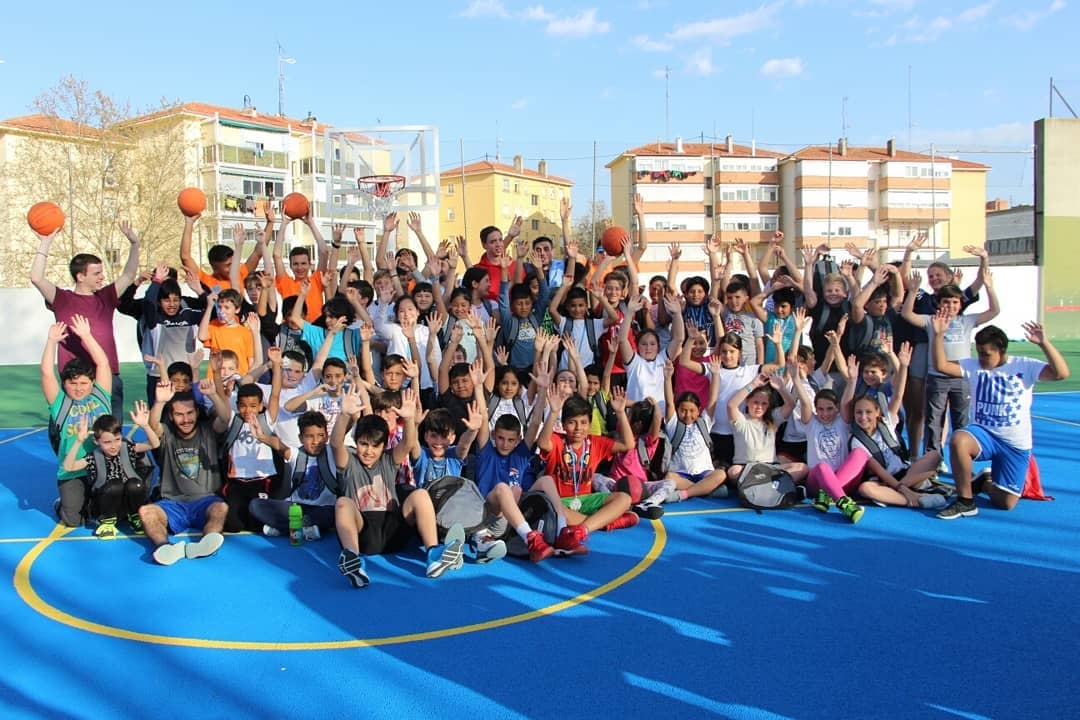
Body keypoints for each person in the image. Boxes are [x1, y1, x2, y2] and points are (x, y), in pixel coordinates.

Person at [931, 317, 1069, 519]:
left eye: (986, 354)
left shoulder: (1025, 365)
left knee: (1005, 503)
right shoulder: (974, 366)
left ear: (1002, 351)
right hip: (984, 435)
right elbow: (941, 365)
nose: (981, 358)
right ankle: (965, 501)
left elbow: (1061, 374)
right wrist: (938, 335)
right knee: (959, 439)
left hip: (1014, 444)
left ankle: (986, 481)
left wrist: (1044, 343)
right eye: (978, 353)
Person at [332, 386, 465, 588]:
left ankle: (434, 553)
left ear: (383, 446)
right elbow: (335, 444)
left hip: (392, 529)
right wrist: (344, 415)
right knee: (342, 503)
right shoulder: (349, 461)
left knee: (419, 494)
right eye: (363, 444)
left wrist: (410, 419)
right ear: (356, 443)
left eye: (375, 446)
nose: (368, 451)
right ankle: (354, 560)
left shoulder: (388, 459)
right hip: (363, 532)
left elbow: (408, 443)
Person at [31, 220, 142, 418]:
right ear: (80, 276)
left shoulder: (106, 297)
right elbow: (37, 278)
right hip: (75, 380)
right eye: (97, 273)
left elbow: (128, 274)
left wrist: (134, 244)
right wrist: (45, 243)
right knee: (75, 433)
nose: (102, 277)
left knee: (111, 433)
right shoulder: (63, 299)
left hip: (107, 377)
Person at [901, 268, 999, 459]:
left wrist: (989, 287)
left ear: (960, 304)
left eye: (955, 302)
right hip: (937, 379)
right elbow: (907, 314)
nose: (951, 306)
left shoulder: (967, 321)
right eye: (946, 302)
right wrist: (912, 291)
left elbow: (994, 311)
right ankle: (932, 460)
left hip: (961, 379)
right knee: (933, 422)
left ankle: (962, 459)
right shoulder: (931, 321)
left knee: (961, 422)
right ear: (939, 304)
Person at [536, 387, 639, 556]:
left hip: (586, 500)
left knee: (624, 498)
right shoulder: (558, 441)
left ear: (590, 424)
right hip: (561, 502)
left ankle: (582, 530)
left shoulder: (595, 443)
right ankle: (608, 522)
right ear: (563, 424)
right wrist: (554, 412)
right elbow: (542, 443)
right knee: (558, 514)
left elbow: (628, 445)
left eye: (583, 423)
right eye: (572, 422)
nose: (578, 428)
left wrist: (620, 412)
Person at [139, 381, 230, 566]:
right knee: (146, 511)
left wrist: (213, 395)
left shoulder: (208, 430)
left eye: (189, 413)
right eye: (179, 414)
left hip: (205, 500)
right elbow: (153, 425)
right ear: (171, 416)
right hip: (172, 503)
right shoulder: (167, 433)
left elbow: (225, 418)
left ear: (197, 412)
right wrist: (159, 402)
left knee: (220, 508)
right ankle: (165, 547)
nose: (185, 419)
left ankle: (206, 543)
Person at [41, 316, 113, 527]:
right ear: (65, 384)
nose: (79, 388)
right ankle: (62, 503)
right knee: (74, 521)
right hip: (73, 469)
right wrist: (52, 341)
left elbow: (103, 363)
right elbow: (46, 372)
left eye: (84, 383)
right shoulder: (60, 404)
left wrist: (86, 336)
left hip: (103, 466)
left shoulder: (100, 396)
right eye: (73, 383)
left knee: (114, 509)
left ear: (92, 382)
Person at [61, 403, 158, 538]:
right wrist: (78, 441)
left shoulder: (127, 448)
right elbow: (68, 467)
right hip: (105, 504)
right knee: (114, 485)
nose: (113, 446)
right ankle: (106, 522)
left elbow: (154, 444)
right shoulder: (94, 457)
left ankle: (136, 517)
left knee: (135, 484)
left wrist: (145, 426)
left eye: (117, 440)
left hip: (128, 503)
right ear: (96, 442)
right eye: (107, 442)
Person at [249, 411, 338, 539]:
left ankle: (286, 528)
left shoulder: (332, 452)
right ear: (301, 438)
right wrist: (262, 437)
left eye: (320, 435)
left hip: (322, 508)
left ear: (327, 436)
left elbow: (341, 434)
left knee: (335, 512)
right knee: (256, 505)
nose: (315, 441)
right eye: (309, 436)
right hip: (295, 509)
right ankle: (304, 528)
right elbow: (279, 445)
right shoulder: (296, 454)